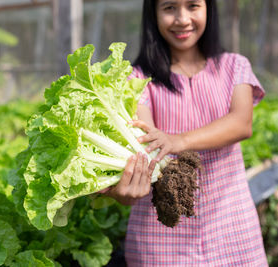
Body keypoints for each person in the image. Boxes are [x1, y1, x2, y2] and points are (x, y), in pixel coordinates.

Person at [101, 0, 268, 266]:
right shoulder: (137, 78)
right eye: (169, 7)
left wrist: (178, 141)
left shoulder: (234, 66)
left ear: (208, 9)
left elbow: (241, 123)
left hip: (232, 227)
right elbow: (142, 142)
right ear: (152, 13)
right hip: (160, 236)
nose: (182, 19)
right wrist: (125, 192)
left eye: (193, 5)